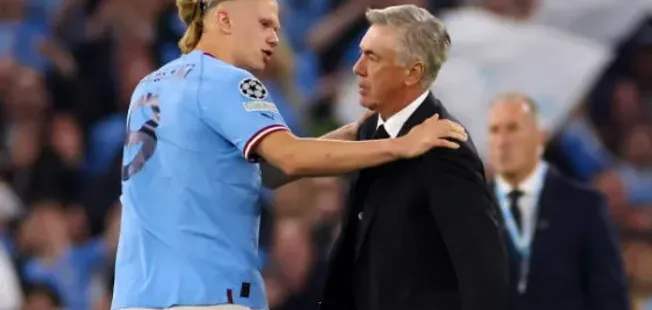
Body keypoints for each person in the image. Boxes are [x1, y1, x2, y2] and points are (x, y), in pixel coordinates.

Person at [111, 0, 468, 310]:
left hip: (136, 295)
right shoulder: (228, 81)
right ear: (224, 20)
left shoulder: (152, 85)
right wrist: (401, 145)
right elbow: (290, 157)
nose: (275, 38)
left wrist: (355, 132)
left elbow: (268, 173)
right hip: (209, 295)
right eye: (265, 24)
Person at [319, 5, 509, 310]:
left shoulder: (445, 148)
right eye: (361, 53)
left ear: (413, 72)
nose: (357, 68)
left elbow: (483, 272)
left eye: (373, 58)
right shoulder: (370, 130)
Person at [486, 92, 630, 310]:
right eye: (495, 130)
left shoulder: (584, 207)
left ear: (540, 136)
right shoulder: (467, 209)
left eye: (514, 129)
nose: (503, 141)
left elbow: (609, 297)